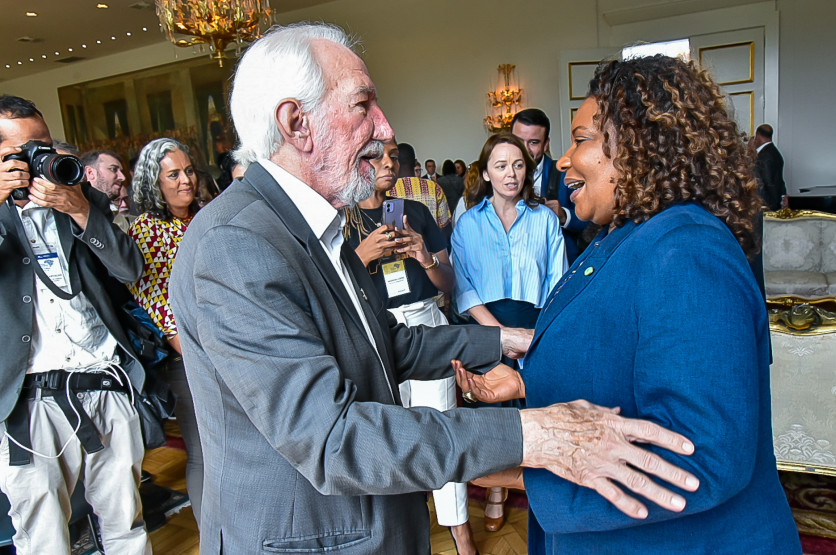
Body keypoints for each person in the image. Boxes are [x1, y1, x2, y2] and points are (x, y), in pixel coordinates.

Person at [169, 23, 699, 555]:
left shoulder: (316, 225)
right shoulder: (235, 243)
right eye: (363, 105)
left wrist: (507, 340)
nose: (384, 127)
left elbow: (387, 346)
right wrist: (535, 435)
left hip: (377, 522)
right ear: (296, 122)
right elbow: (333, 440)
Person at [455, 55, 802, 554]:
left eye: (581, 139)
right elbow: (621, 361)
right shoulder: (619, 237)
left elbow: (703, 451)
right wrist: (530, 382)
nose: (563, 160)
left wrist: (524, 467)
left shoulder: (687, 250)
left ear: (638, 143)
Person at [0, 95, 151, 554]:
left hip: (104, 380)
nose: (37, 159)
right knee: (44, 538)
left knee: (127, 523)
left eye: (42, 145)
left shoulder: (79, 198)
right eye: (23, 151)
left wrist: (80, 210)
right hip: (27, 400)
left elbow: (130, 268)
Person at [344, 138, 478, 555]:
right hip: (376, 333)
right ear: (358, 162)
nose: (390, 162)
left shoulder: (416, 212)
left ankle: (460, 532)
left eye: (393, 157)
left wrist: (425, 257)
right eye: (379, 157)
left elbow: (449, 283)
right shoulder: (341, 225)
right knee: (390, 434)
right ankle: (405, 527)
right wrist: (361, 257)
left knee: (443, 426)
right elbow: (338, 294)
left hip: (425, 322)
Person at [450, 132, 567, 531]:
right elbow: (463, 287)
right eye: (501, 165)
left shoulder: (545, 219)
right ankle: (498, 489)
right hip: (486, 327)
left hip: (536, 327)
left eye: (518, 165)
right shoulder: (468, 223)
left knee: (534, 412)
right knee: (492, 415)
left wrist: (536, 335)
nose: (511, 173)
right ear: (486, 172)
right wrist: (500, 334)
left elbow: (558, 282)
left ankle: (539, 495)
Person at [126, 137, 204, 521]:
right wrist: (198, 356)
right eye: (173, 174)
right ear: (153, 183)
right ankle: (214, 538)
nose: (185, 180)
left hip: (228, 343)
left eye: (188, 170)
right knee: (204, 450)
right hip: (187, 356)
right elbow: (157, 304)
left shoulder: (203, 215)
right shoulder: (147, 229)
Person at [511, 108, 589, 262]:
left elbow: (590, 220)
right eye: (519, 141)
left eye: (533, 142)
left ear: (546, 144)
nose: (524, 149)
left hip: (560, 265)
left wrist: (563, 215)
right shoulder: (496, 176)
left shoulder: (565, 173)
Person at [391, 142, 453, 244]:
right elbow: (445, 226)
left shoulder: (388, 190)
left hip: (399, 252)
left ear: (394, 162)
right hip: (431, 251)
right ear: (415, 163)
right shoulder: (434, 188)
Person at [82, 149, 131, 231]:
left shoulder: (119, 218)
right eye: (113, 169)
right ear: (90, 173)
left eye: (121, 171)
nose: (122, 177)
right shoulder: (76, 212)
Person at [753, 123, 787, 209]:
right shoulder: (775, 153)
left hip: (767, 205)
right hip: (776, 202)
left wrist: (770, 206)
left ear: (757, 135)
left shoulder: (764, 157)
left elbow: (768, 183)